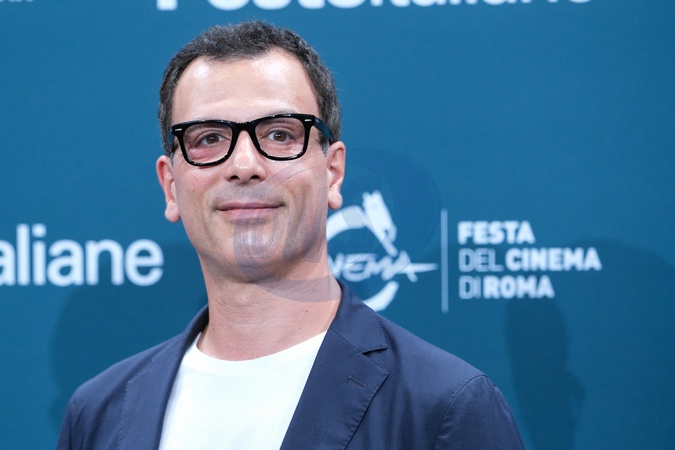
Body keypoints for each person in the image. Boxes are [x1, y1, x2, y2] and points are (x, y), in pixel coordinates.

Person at [57, 21, 524, 449]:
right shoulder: (97, 415)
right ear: (170, 186)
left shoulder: (443, 408)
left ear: (333, 173)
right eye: (208, 138)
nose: (244, 166)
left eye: (280, 135)